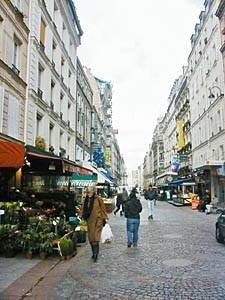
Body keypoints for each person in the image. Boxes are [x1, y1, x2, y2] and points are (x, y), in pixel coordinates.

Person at [82, 187, 108, 262]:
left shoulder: (98, 199)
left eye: (90, 192)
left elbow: (103, 209)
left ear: (93, 192)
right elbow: (83, 209)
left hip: (98, 221)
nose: (88, 194)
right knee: (91, 239)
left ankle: (96, 254)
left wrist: (104, 218)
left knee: (96, 239)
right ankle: (93, 253)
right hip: (89, 221)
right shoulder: (86, 200)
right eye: (87, 192)